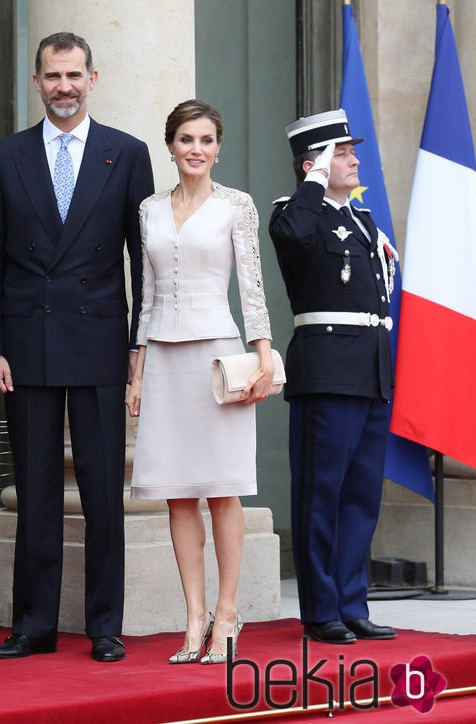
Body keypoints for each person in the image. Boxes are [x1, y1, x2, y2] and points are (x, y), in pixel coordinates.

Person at [0, 31, 154, 663]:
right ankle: (34, 623)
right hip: (25, 345)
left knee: (105, 491)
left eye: (75, 75)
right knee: (36, 490)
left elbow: (145, 263)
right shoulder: (4, 158)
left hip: (101, 340)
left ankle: (106, 623)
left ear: (93, 79)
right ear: (36, 81)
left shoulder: (127, 154)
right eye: (53, 76)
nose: (64, 87)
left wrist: (138, 348)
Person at [125, 100, 274, 665]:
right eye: (186, 139)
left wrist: (262, 360)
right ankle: (193, 619)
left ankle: (229, 615)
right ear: (170, 145)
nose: (196, 149)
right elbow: (147, 295)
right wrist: (136, 370)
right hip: (162, 356)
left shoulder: (237, 205)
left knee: (221, 488)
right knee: (177, 494)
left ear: (218, 147)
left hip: (219, 355)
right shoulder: (149, 210)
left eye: (207, 140)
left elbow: (253, 288)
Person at [269, 109, 397, 645]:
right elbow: (293, 237)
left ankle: (352, 602)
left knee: (361, 496)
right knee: (321, 493)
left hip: (369, 368)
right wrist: (315, 181)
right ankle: (321, 609)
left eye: (349, 152)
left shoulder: (364, 221)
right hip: (326, 370)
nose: (354, 160)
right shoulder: (296, 212)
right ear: (313, 162)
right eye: (343, 152)